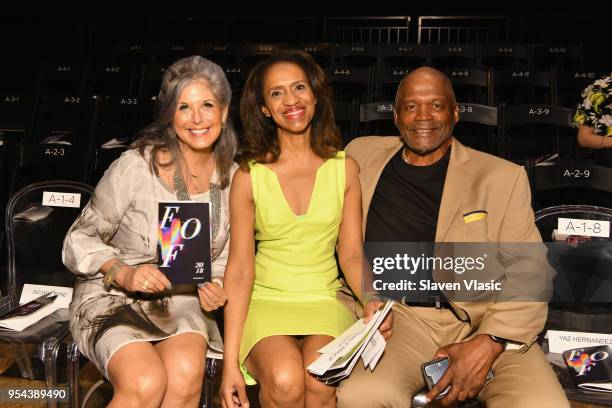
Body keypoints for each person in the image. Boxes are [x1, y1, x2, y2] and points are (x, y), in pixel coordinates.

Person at [336, 67, 569, 408]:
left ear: (455, 112)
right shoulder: (361, 155)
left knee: (542, 404)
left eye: (437, 105)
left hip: (488, 319)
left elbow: (530, 272)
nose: (424, 116)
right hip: (401, 319)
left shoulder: (501, 177)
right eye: (412, 106)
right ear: (396, 116)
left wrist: (489, 341)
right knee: (363, 396)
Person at [62, 55, 238, 408]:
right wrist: (122, 272)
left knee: (186, 375)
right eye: (184, 107)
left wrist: (217, 287)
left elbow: (226, 259)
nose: (198, 118)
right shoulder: (136, 166)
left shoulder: (234, 178)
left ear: (224, 111)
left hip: (182, 297)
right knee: (145, 382)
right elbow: (76, 240)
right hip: (111, 296)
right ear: (169, 116)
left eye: (207, 105)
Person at [220, 51, 392, 408]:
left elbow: (351, 253)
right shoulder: (248, 176)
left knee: (319, 376)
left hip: (324, 298)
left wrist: (371, 299)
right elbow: (239, 269)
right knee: (284, 380)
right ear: (264, 108)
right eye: (277, 93)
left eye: (299, 87)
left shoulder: (345, 169)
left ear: (314, 95)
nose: (291, 100)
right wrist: (229, 361)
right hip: (266, 300)